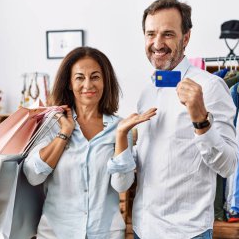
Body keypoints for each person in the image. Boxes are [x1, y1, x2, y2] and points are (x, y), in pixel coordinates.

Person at [107, 0, 238, 239]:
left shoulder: (210, 87)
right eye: (151, 34)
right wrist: (122, 139)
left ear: (185, 38)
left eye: (167, 34)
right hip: (143, 228)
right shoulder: (147, 91)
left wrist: (200, 119)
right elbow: (152, 160)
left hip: (186, 232)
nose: (157, 43)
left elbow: (229, 165)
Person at [23, 46, 155, 239]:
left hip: (105, 233)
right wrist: (64, 133)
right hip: (56, 233)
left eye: (95, 77)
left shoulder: (120, 127)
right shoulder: (51, 124)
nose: (88, 85)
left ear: (104, 81)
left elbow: (122, 185)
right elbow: (34, 175)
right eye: (79, 77)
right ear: (69, 83)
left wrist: (120, 136)